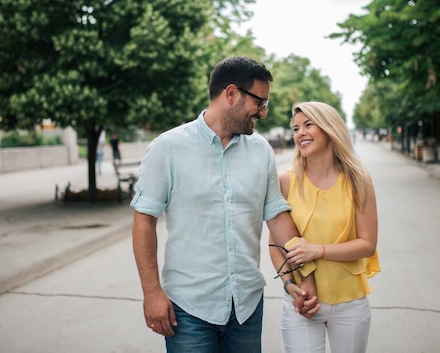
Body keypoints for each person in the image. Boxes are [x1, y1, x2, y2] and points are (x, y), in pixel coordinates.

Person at [131, 56, 318, 353]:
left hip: (246, 307)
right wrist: (151, 292)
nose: (264, 112)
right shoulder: (166, 148)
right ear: (231, 94)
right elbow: (144, 221)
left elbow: (277, 218)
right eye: (260, 102)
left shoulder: (261, 151)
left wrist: (304, 276)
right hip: (188, 310)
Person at [269, 101, 380, 353]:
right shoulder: (285, 181)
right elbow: (275, 245)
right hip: (302, 304)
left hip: (350, 303)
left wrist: (317, 250)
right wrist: (289, 285)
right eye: (295, 128)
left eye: (309, 125)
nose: (300, 133)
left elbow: (367, 244)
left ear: (330, 129)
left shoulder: (358, 180)